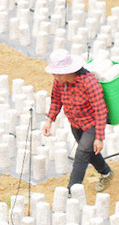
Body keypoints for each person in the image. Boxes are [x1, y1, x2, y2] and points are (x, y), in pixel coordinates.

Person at [42, 49, 114, 192]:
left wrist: (99, 137)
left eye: (57, 73)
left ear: (68, 71)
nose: (54, 76)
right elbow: (56, 100)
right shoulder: (59, 82)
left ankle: (71, 190)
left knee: (81, 154)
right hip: (75, 123)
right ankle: (106, 172)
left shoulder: (89, 83)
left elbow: (100, 110)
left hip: (92, 124)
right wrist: (49, 120)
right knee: (90, 152)